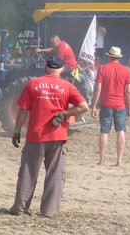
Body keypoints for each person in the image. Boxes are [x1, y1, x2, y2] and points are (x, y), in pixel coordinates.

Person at [9, 56, 88, 217]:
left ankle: (20, 208)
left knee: (29, 172)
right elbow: (83, 107)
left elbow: (23, 110)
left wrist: (16, 131)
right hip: (57, 136)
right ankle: (49, 211)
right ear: (62, 70)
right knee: (55, 174)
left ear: (46, 68)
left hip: (35, 135)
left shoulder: (33, 83)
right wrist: (65, 114)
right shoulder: (67, 86)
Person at [90, 46, 130, 166]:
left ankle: (101, 160)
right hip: (120, 105)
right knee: (120, 131)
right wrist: (129, 107)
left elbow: (97, 88)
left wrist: (93, 105)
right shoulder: (126, 71)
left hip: (106, 104)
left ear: (109, 57)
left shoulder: (102, 69)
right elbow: (128, 91)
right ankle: (119, 160)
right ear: (119, 58)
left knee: (104, 131)